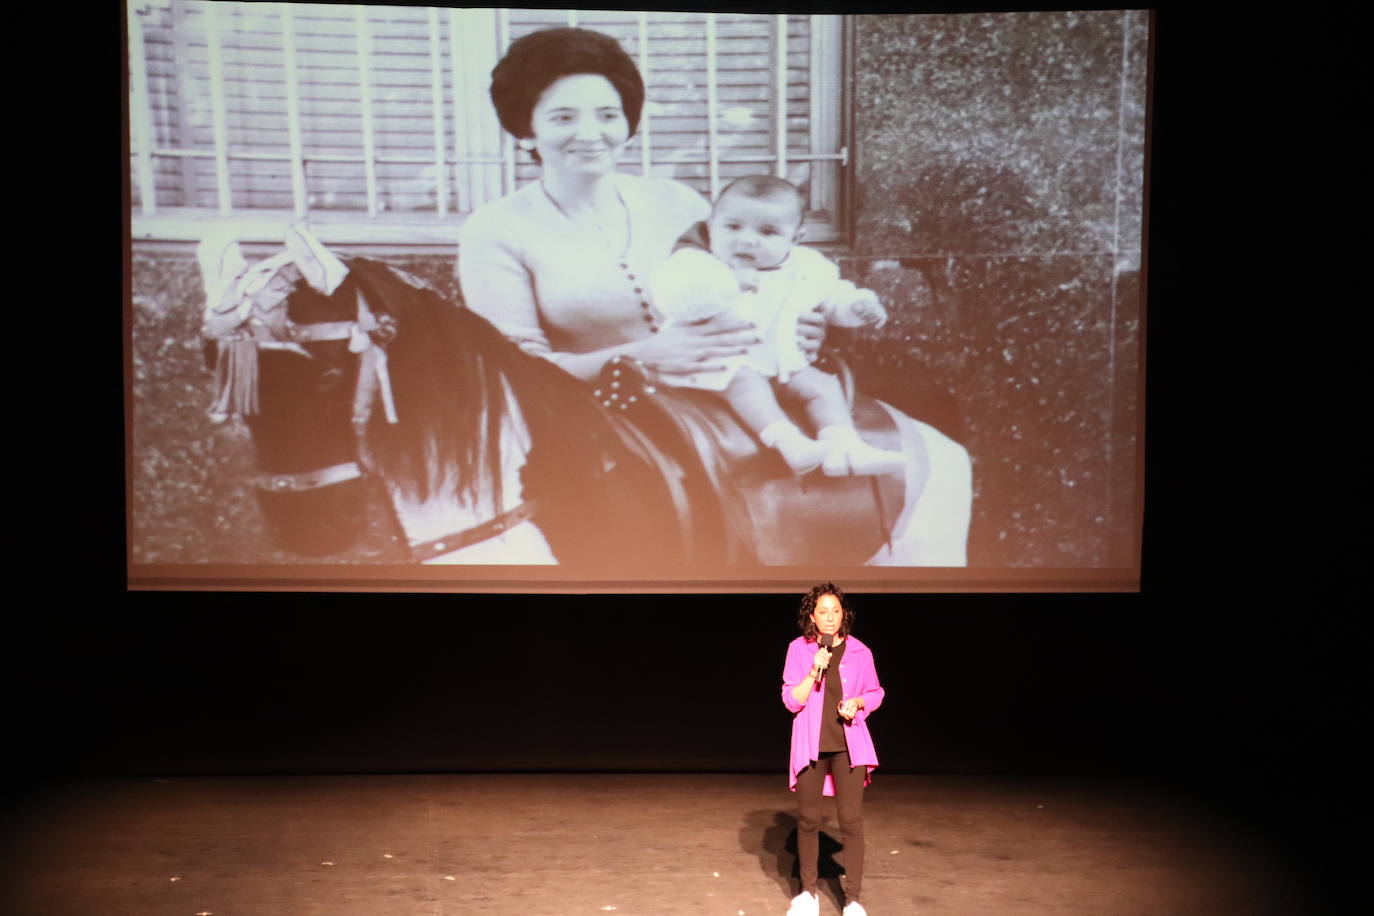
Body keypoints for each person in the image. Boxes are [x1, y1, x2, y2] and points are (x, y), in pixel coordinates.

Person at [458, 26, 974, 567]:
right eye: (563, 116)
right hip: (592, 418)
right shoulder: (495, 229)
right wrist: (638, 356)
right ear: (525, 128)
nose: (590, 133)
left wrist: (798, 322)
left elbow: (758, 277)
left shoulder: (677, 201)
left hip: (723, 392)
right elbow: (510, 369)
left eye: (607, 114)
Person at [651, 175, 906, 477]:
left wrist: (855, 306)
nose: (746, 239)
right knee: (747, 382)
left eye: (768, 231)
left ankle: (845, 446)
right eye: (732, 227)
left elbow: (831, 295)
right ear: (710, 227)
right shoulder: (698, 263)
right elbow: (674, 299)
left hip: (779, 362)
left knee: (821, 385)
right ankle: (789, 443)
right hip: (711, 363)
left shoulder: (807, 266)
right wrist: (727, 284)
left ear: (795, 239)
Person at [781, 583, 883, 916]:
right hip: (812, 747)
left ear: (844, 615)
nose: (829, 617)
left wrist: (858, 702)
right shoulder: (799, 649)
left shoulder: (860, 652)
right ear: (812, 616)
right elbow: (791, 700)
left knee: (851, 823)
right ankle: (807, 894)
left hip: (848, 748)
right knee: (809, 820)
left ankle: (853, 899)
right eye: (822, 611)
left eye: (835, 611)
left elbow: (876, 692)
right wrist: (814, 668)